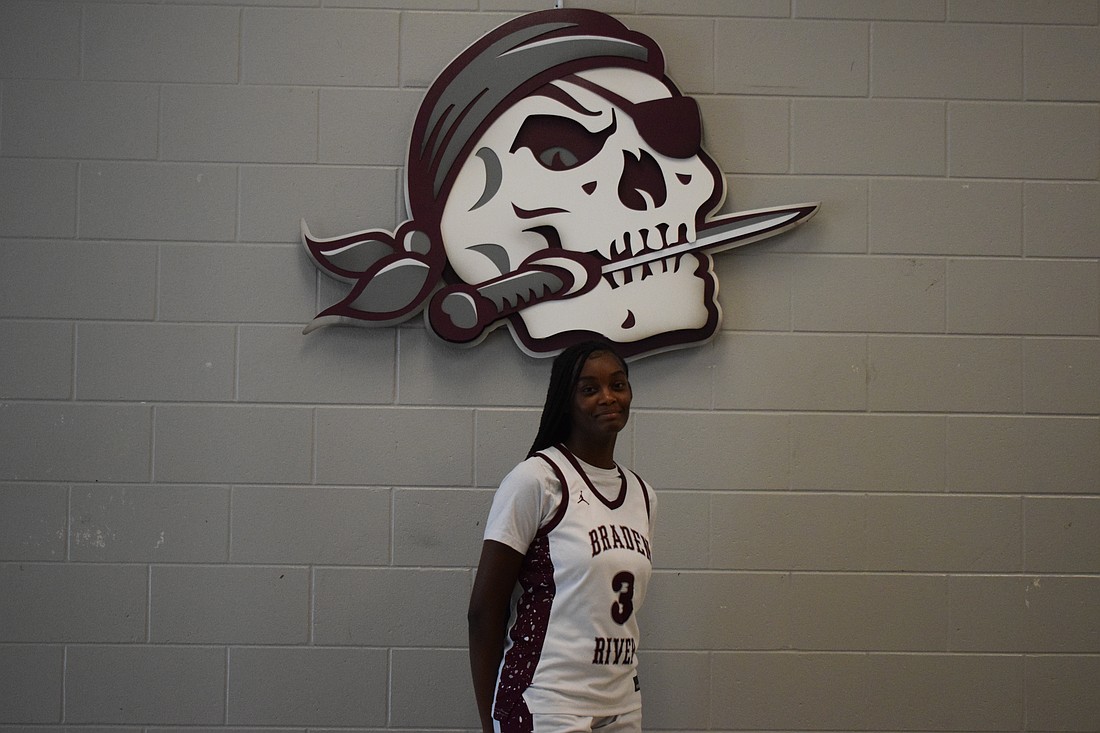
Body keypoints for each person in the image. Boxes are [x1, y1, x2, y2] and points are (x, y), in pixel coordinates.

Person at [468, 340, 657, 733]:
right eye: (590, 389)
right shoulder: (537, 480)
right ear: (565, 401)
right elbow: (484, 611)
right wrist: (490, 721)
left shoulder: (643, 494)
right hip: (547, 701)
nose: (608, 397)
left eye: (617, 385)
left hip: (622, 704)